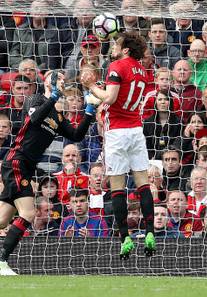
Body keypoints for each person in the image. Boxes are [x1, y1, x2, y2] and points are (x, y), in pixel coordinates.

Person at [0, 70, 97, 275]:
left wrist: (90, 110)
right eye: (55, 77)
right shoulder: (35, 99)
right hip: (16, 162)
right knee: (29, 213)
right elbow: (36, 119)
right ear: (46, 82)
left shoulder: (58, 115)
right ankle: (0, 262)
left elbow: (76, 135)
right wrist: (54, 97)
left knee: (0, 221)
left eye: (62, 79)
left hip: (26, 167)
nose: (60, 81)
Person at [81, 31, 156, 259]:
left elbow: (111, 98)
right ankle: (150, 233)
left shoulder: (117, 65)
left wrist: (91, 86)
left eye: (117, 43)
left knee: (117, 187)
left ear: (125, 50)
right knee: (143, 183)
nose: (113, 46)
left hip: (117, 132)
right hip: (136, 130)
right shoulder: (142, 71)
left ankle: (125, 238)